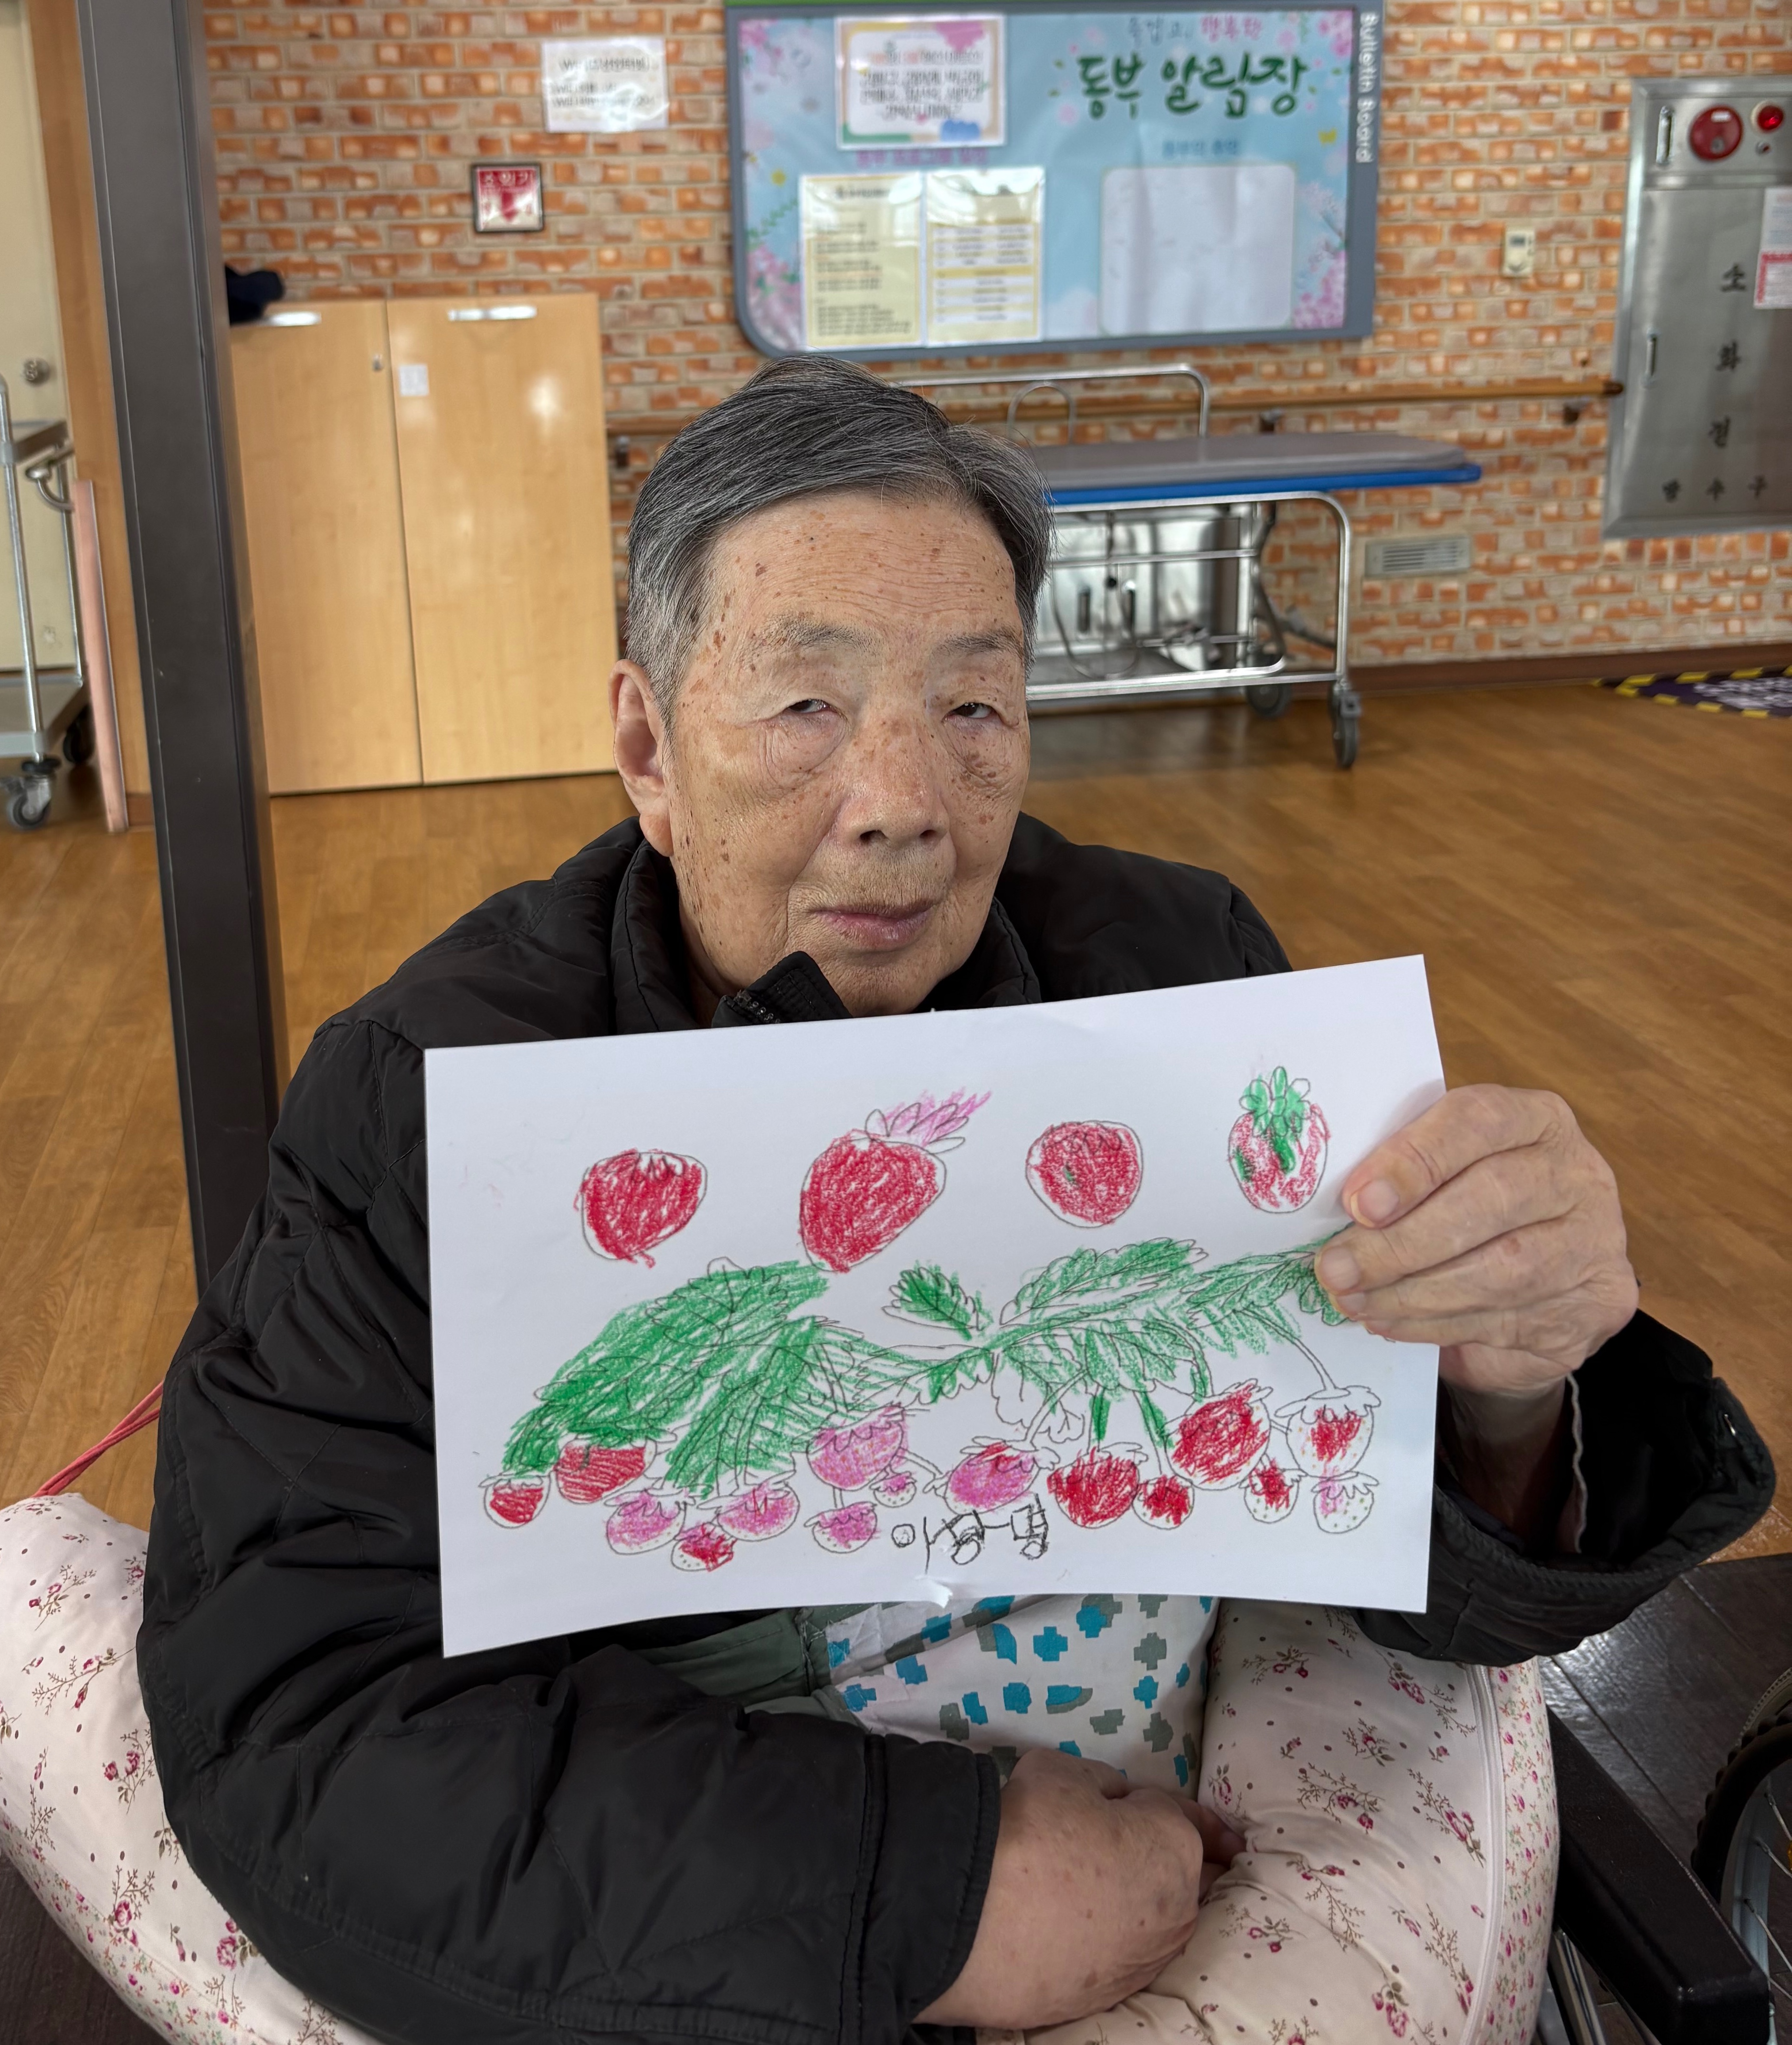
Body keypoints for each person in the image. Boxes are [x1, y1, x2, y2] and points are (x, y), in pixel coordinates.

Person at [137, 357, 1772, 2043]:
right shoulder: (431, 1098)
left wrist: (1506, 1396)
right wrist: (936, 1885)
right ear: (645, 744)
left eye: (974, 708)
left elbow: (1383, 1543)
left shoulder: (1180, 985)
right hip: (754, 1922)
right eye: (805, 705)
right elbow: (302, 1719)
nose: (907, 806)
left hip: (1174, 1840)